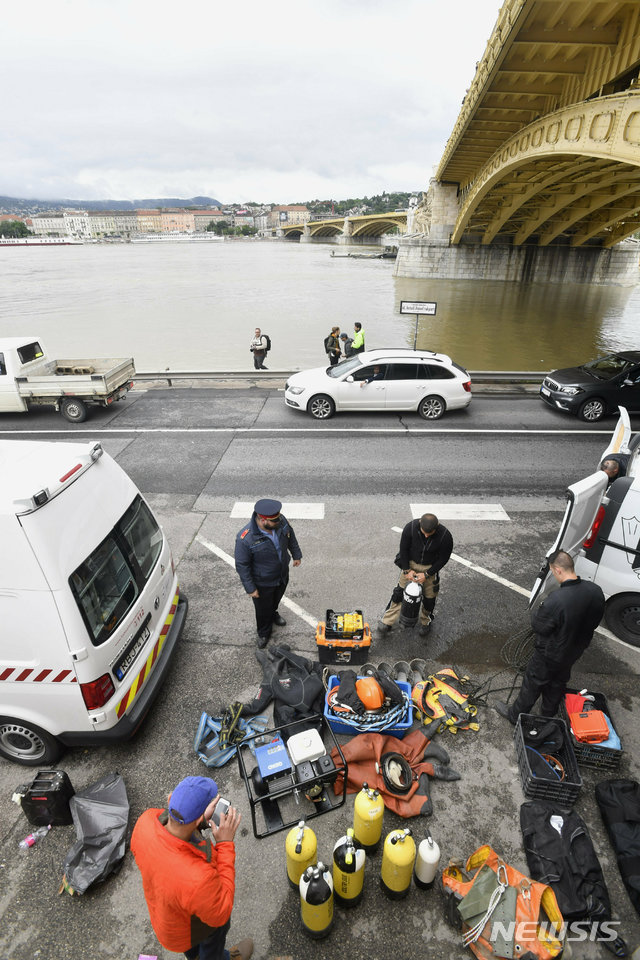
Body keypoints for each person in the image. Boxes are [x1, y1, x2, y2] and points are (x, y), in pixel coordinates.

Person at [131, 775, 253, 960]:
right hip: (192, 928)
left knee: (193, 952)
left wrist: (200, 818)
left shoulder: (144, 823)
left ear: (171, 799)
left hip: (168, 923)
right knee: (213, 944)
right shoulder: (198, 878)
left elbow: (178, 828)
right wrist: (225, 843)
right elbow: (221, 912)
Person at [495, 550, 605, 723]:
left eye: (553, 572)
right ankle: (547, 715)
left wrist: (540, 611)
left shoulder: (556, 601)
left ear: (558, 570)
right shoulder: (595, 591)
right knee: (558, 682)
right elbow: (595, 620)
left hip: (550, 654)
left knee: (532, 683)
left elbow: (540, 627)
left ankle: (515, 716)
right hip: (574, 651)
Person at [234, 498, 302, 648]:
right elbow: (242, 565)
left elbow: (291, 536)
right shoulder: (245, 538)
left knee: (275, 599)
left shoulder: (280, 521)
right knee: (262, 608)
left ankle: (273, 613)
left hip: (282, 574)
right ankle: (264, 632)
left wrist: (296, 555)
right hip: (263, 582)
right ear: (263, 520)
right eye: (273, 521)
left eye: (278, 519)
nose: (278, 522)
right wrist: (250, 588)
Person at [378, 513, 453, 637]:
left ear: (437, 527)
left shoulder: (445, 536)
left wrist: (427, 574)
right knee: (398, 594)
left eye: (430, 533)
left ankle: (426, 621)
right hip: (410, 564)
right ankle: (387, 620)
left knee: (429, 599)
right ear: (420, 524)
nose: (426, 535)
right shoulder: (410, 527)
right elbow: (403, 549)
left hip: (429, 568)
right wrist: (407, 570)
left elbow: (443, 559)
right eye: (424, 532)